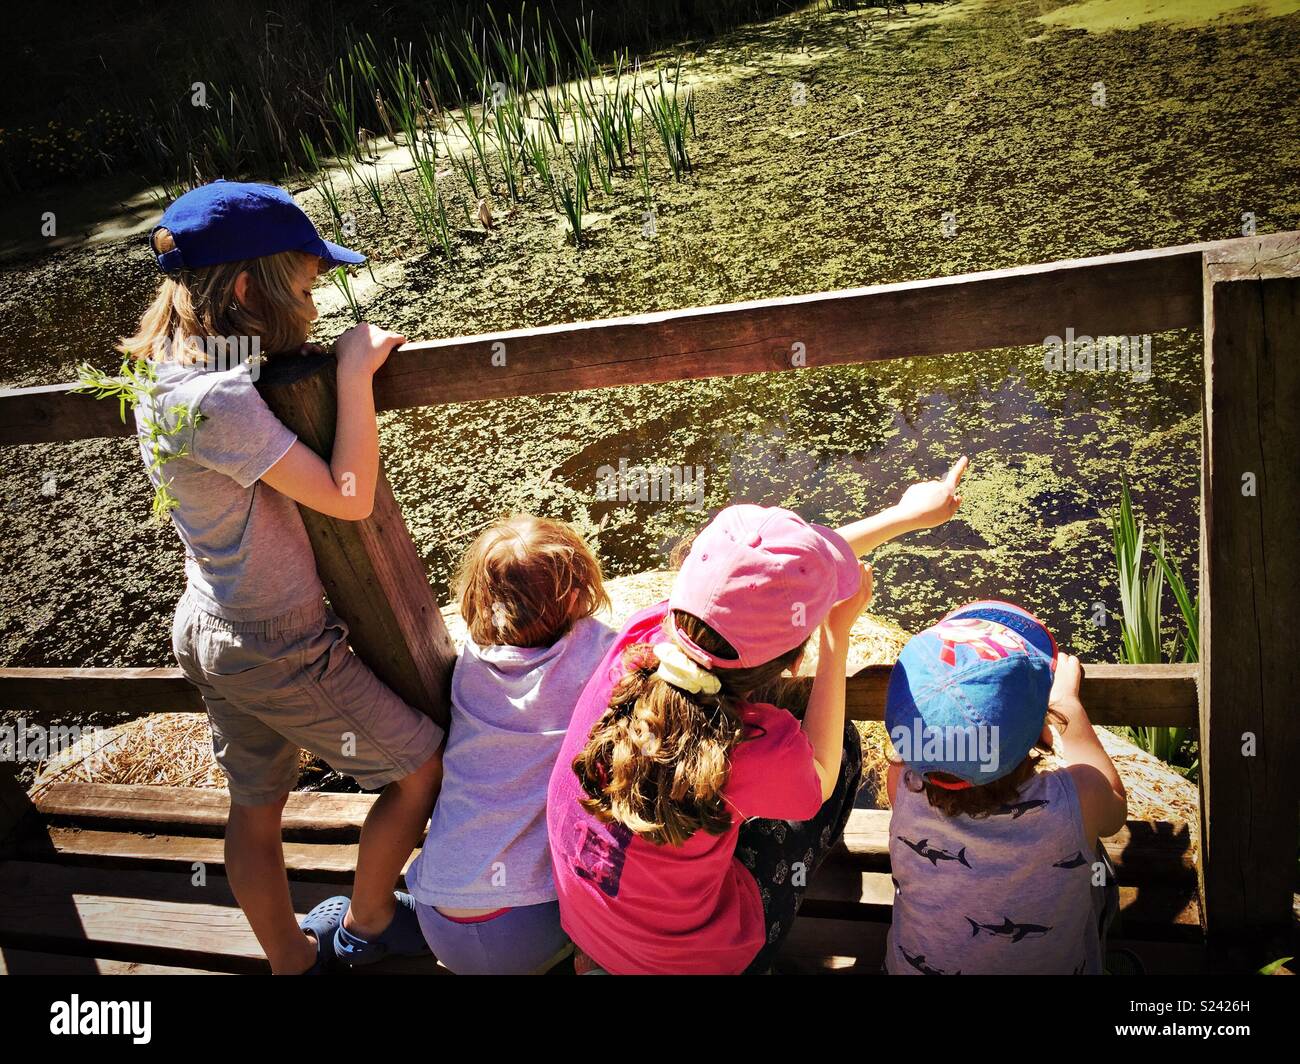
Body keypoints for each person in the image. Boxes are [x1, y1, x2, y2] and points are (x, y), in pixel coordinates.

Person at [126, 180, 442, 973]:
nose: (312, 304)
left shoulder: (164, 373)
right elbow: (349, 496)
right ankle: (367, 927)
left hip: (210, 624)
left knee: (256, 810)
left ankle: (289, 964)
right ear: (245, 289)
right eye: (303, 286)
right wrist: (354, 373)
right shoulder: (217, 401)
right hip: (276, 644)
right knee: (418, 767)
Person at [405, 515, 616, 973]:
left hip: (439, 919)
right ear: (578, 597)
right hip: (531, 926)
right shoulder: (596, 650)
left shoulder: (471, 665)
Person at [883, 601, 1127, 975]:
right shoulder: (1079, 797)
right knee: (1098, 865)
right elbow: (1114, 811)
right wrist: (1069, 708)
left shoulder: (901, 783)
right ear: (1040, 726)